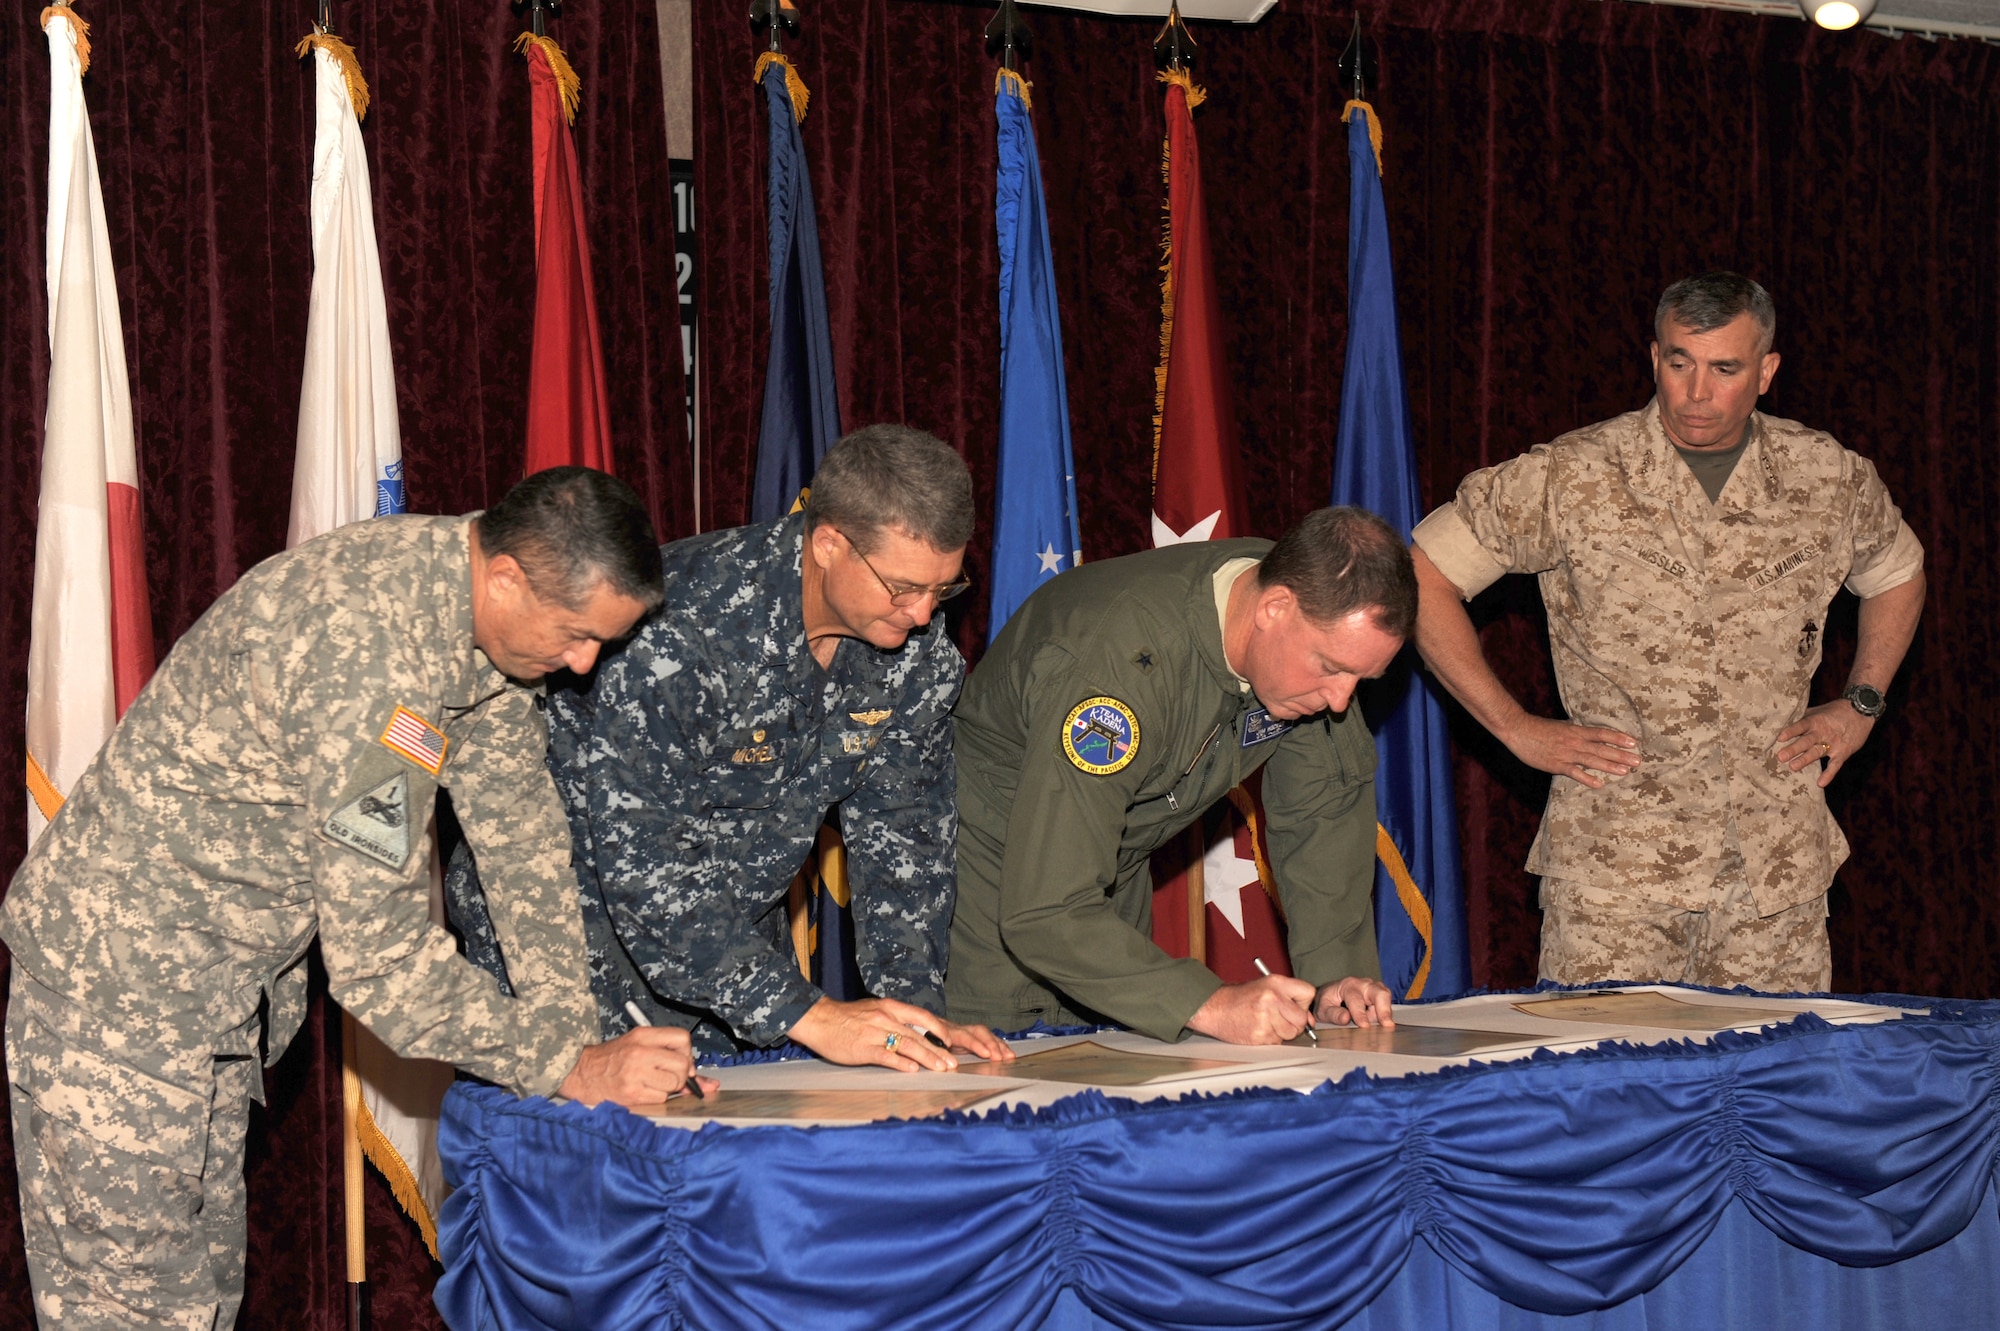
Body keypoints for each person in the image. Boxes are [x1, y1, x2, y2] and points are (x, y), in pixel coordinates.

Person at [2, 467, 706, 1329]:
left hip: (211, 1002)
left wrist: (571, 1039)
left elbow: (522, 844)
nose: (586, 663)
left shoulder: (480, 629)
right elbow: (382, 967)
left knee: (200, 1299)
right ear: (507, 576)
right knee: (134, 1312)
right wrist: (564, 1063)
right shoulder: (371, 654)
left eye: (603, 639)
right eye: (575, 634)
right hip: (118, 1001)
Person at [1409, 272, 1926, 992]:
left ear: (1767, 371)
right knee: (1609, 1096)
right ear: (1653, 359)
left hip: (1772, 880)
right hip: (1616, 879)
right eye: (1679, 362)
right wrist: (1515, 726)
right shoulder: (1574, 475)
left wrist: (1860, 702)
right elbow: (1422, 574)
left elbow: (1899, 570)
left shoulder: (1827, 479)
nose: (1697, 391)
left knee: (1776, 1096)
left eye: (1724, 368)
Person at [449, 424, 1010, 1071]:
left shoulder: (916, 661)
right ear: (828, 543)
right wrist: (811, 1014)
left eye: (942, 589)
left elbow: (907, 838)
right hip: (565, 953)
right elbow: (644, 866)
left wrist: (913, 1020)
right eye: (903, 587)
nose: (920, 614)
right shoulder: (680, 631)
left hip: (731, 972)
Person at [945, 506, 1409, 1045]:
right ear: (1274, 608)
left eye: (1363, 678)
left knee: (1116, 1093)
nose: (1340, 700)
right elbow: (1046, 907)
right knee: (998, 1099)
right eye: (1331, 667)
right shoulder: (1117, 669)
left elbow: (1321, 816)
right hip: (989, 890)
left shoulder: (1305, 634)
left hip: (1107, 886)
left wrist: (1337, 980)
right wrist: (1207, 1003)